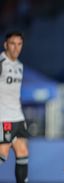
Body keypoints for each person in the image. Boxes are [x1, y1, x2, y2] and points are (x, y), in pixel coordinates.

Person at [0, 31, 28, 183]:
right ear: (5, 45)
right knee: (2, 154)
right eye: (12, 44)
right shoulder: (1, 62)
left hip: (17, 116)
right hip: (4, 118)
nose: (16, 48)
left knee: (22, 151)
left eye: (19, 44)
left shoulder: (19, 66)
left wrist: (21, 116)